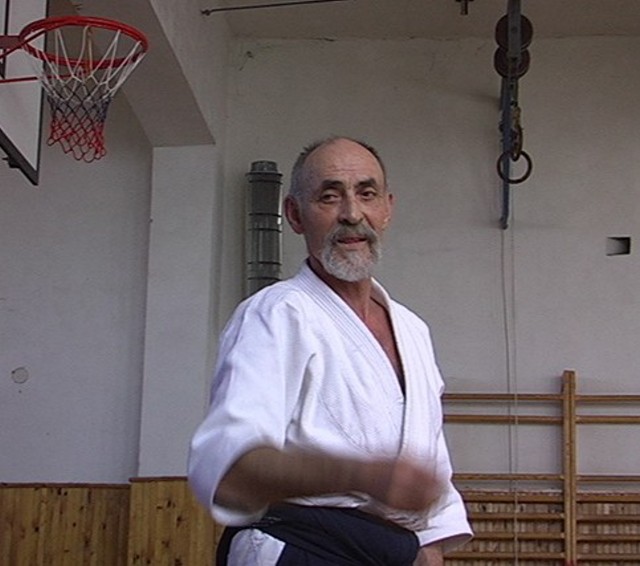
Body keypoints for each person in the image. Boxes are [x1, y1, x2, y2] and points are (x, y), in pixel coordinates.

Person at [188, 137, 472, 565]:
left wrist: (429, 550)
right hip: (299, 549)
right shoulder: (277, 314)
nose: (352, 214)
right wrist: (359, 475)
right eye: (329, 196)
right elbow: (231, 469)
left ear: (387, 208)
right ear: (294, 214)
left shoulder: (413, 330)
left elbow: (432, 473)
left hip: (395, 552)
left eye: (367, 193)